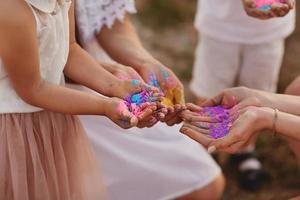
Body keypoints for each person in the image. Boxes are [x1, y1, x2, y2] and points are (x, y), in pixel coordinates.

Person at [0, 0, 160, 199]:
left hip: (52, 119)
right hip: (15, 131)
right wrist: (105, 106)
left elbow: (71, 50)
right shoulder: (12, 9)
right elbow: (33, 89)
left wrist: (116, 87)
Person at [74, 0, 225, 199]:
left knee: (204, 180)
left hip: (101, 78)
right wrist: (107, 77)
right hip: (58, 94)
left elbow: (112, 24)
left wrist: (145, 62)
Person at [189, 0, 295, 191]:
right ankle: (207, 153)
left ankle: (244, 150)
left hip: (269, 30)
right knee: (213, 92)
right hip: (221, 26)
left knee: (258, 92)